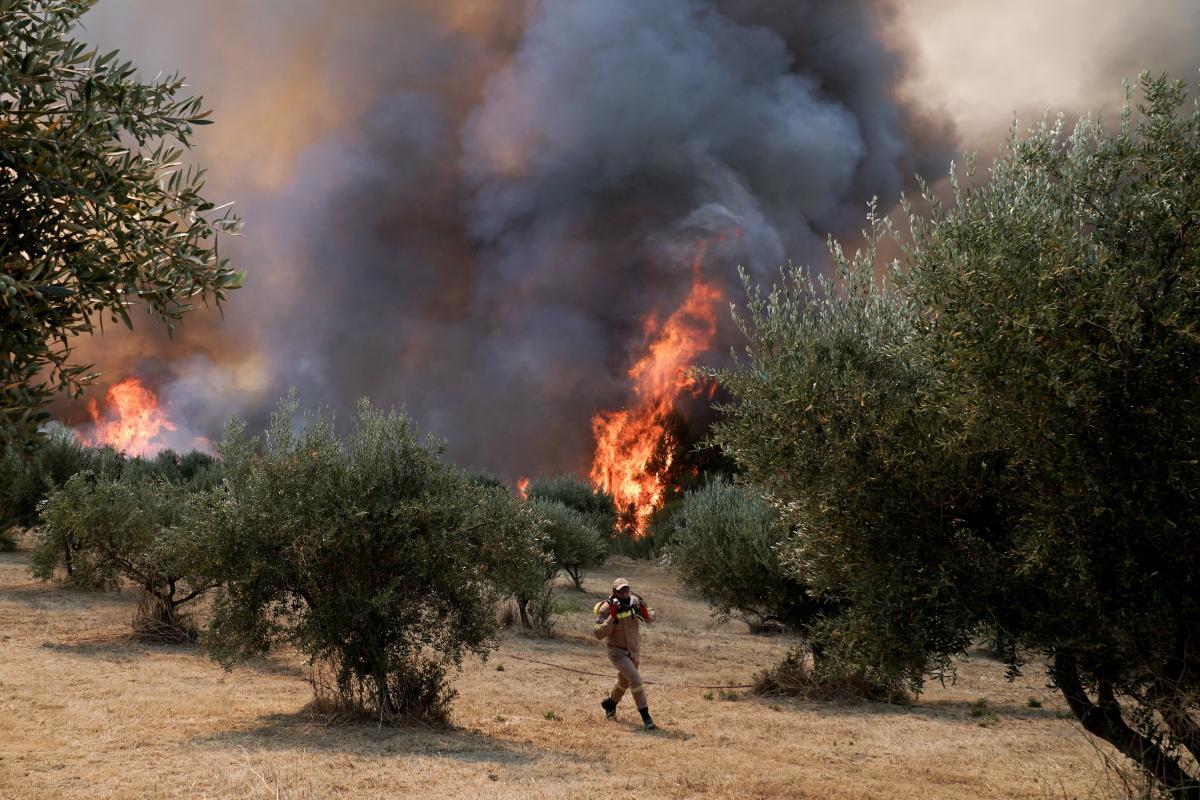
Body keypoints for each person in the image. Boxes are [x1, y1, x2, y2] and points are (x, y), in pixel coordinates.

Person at [593, 576, 657, 730]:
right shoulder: (606, 609)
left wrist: (646, 612)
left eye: (627, 589)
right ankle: (647, 718)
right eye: (622, 590)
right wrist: (612, 616)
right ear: (614, 592)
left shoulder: (635, 602)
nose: (625, 592)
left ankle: (610, 704)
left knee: (624, 682)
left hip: (633, 651)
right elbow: (598, 633)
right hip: (616, 652)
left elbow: (651, 618)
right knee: (636, 680)